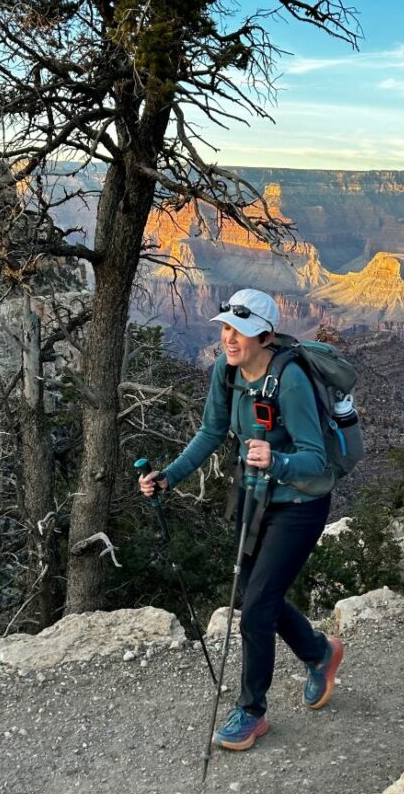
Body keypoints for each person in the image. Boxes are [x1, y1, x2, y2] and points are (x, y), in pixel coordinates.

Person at [138, 287, 344, 752]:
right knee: (258, 600)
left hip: (300, 504)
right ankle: (319, 652)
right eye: (227, 327)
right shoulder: (225, 373)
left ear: (266, 336)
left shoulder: (289, 381)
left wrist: (276, 461)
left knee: (255, 606)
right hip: (252, 499)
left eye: (241, 331)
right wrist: (169, 477)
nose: (229, 338)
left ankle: (252, 711)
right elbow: (211, 431)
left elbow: (316, 461)